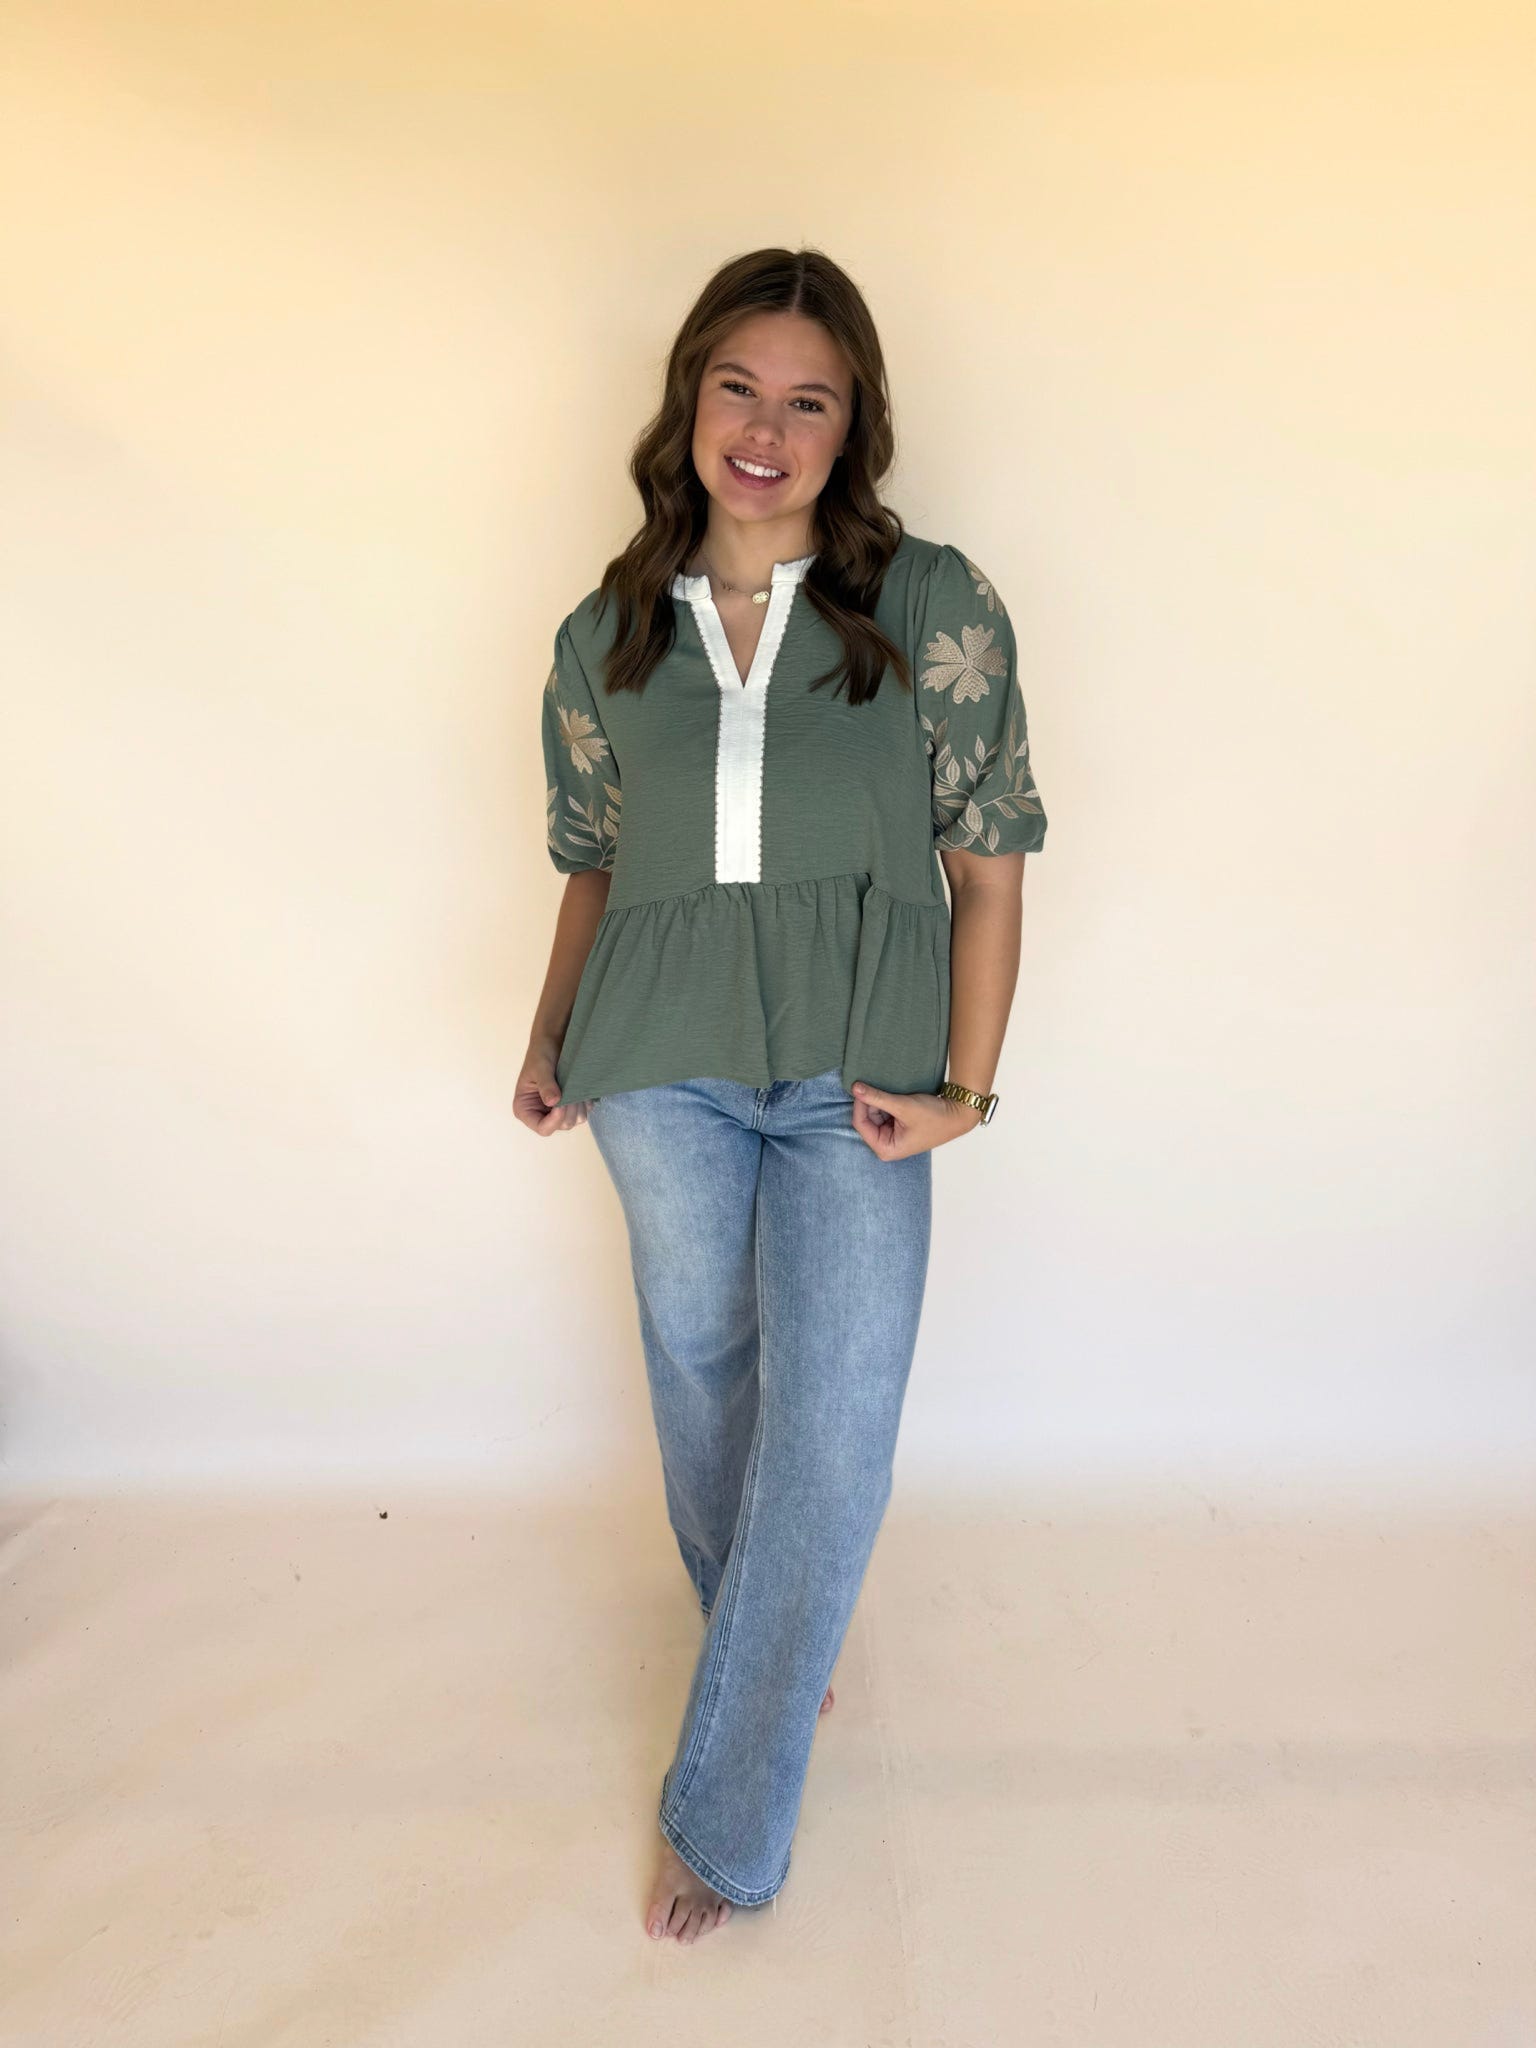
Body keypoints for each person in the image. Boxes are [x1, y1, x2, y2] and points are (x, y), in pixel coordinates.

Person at [516, 247, 1047, 1944]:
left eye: (808, 400)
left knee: (835, 1410)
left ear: (852, 425)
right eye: (738, 388)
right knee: (703, 1370)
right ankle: (775, 1643)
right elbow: (595, 863)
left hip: (858, 1069)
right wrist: (548, 1034)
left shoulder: (933, 606)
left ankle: (728, 1815)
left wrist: (968, 1087)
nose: (766, 429)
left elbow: (989, 864)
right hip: (655, 1060)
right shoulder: (603, 633)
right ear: (689, 399)